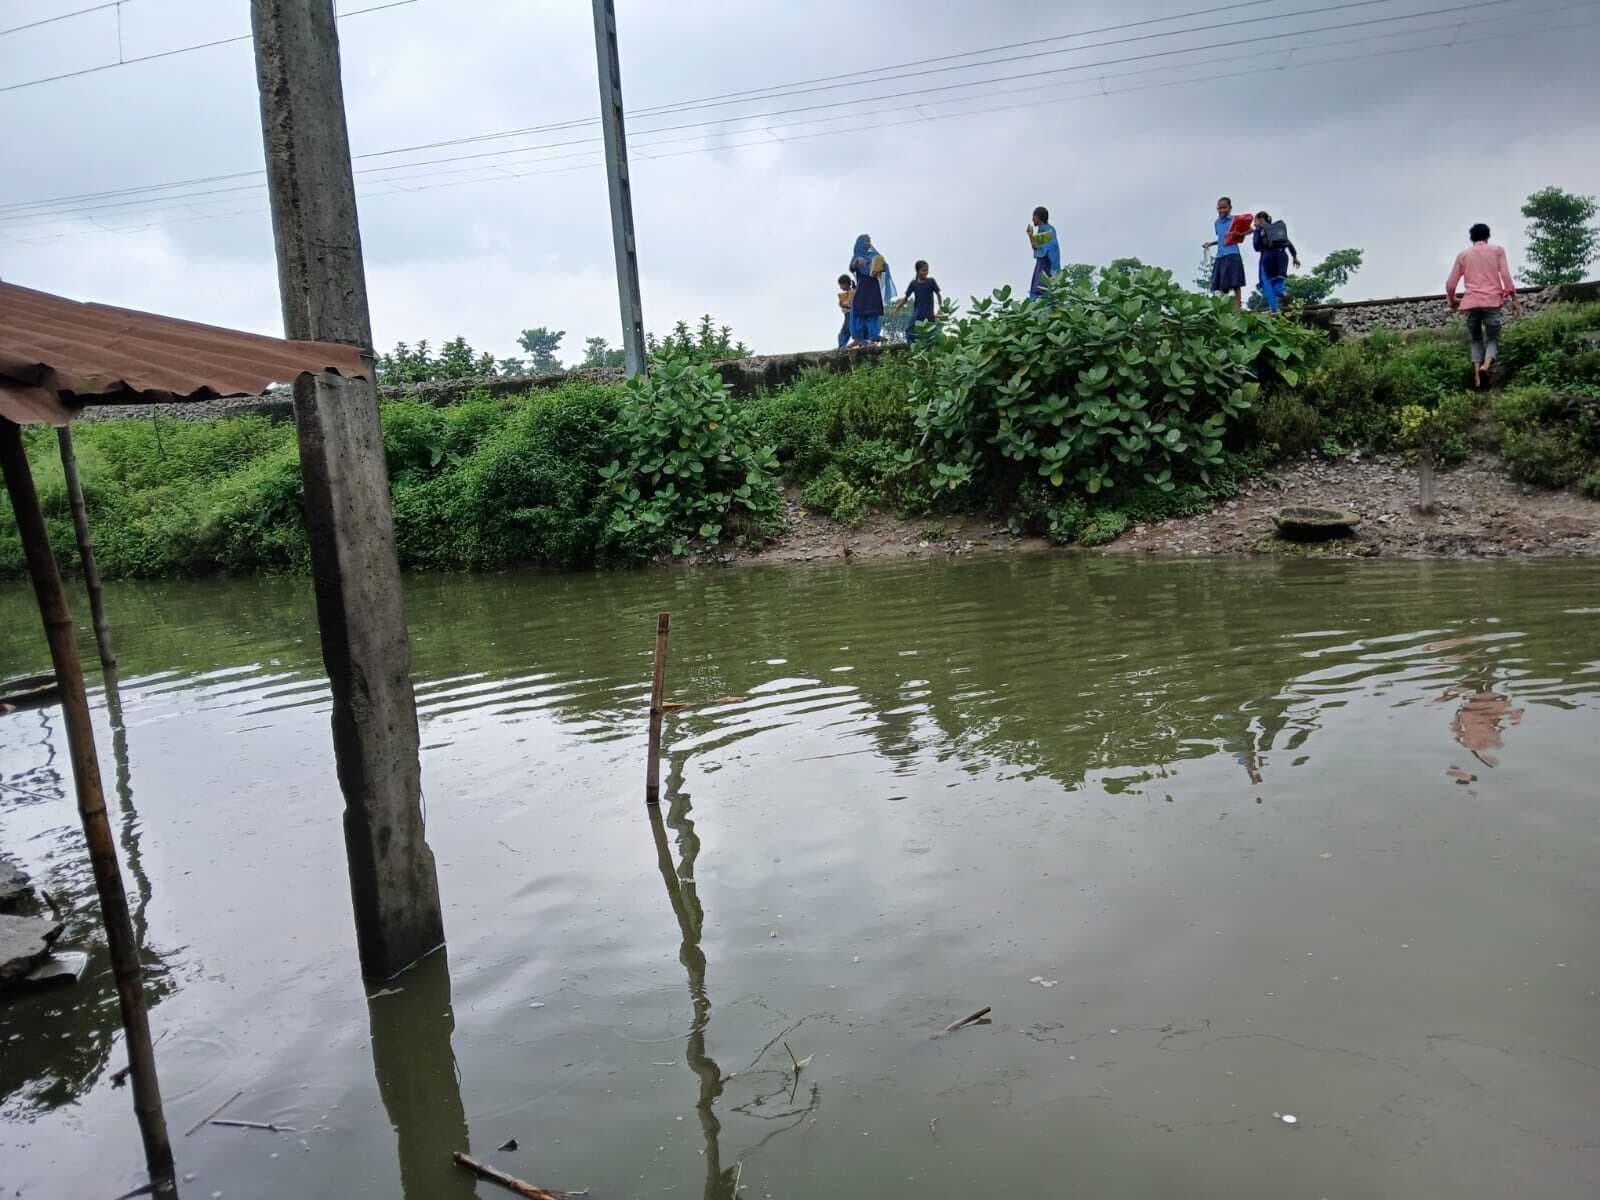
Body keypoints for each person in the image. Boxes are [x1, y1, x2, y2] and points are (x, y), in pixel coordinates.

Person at [1445, 222, 1520, 389]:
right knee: (1492, 338)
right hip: (1492, 302)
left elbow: (1450, 284)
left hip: (1471, 303)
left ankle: (1477, 377)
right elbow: (1506, 275)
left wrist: (1453, 300)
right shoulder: (1497, 251)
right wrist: (1513, 298)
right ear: (1488, 236)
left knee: (1476, 339)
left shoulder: (1463, 255)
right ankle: (1486, 366)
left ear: (1471, 238)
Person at [847, 234, 894, 347]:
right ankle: (858, 338)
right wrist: (857, 262)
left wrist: (882, 266)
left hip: (873, 288)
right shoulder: (857, 256)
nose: (869, 244)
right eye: (866, 241)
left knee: (873, 312)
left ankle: (873, 336)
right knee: (859, 311)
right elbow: (851, 267)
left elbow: (883, 268)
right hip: (862, 288)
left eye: (869, 241)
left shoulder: (874, 255)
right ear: (860, 243)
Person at [1203, 196, 1248, 309]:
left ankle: (1238, 309)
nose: (1222, 210)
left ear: (1230, 208)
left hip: (1232, 254)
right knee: (1220, 285)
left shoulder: (1235, 220)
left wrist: (1239, 234)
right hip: (1220, 255)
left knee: (1236, 283)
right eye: (1219, 208)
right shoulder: (1217, 223)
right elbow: (1222, 239)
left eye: (1224, 208)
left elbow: (1251, 229)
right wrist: (1211, 243)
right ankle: (1224, 308)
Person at [1251, 211, 1301, 313]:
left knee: (1267, 283)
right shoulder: (1277, 230)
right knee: (1278, 283)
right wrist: (1295, 257)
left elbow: (1256, 246)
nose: (1254, 223)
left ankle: (1273, 309)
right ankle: (1285, 295)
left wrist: (1257, 232)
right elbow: (1289, 243)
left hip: (1268, 257)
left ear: (1260, 219)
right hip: (1282, 257)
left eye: (1255, 220)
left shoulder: (1260, 229)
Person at [893, 260, 943, 345]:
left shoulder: (931, 282)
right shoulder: (914, 284)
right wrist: (897, 309)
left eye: (927, 270)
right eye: (923, 270)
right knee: (909, 331)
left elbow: (938, 295)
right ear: (917, 271)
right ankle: (913, 348)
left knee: (931, 332)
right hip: (917, 313)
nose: (926, 272)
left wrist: (940, 309)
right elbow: (906, 298)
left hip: (928, 313)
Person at [1026, 206, 1061, 298]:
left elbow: (1045, 248)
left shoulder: (1049, 230)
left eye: (1033, 216)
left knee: (1043, 290)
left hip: (1047, 264)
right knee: (1036, 289)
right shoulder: (1042, 230)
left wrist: (1031, 236)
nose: (1032, 219)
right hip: (1041, 263)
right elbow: (1037, 248)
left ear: (1038, 217)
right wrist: (1030, 235)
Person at [836, 274, 855, 349]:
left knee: (843, 334)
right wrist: (841, 304)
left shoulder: (852, 292)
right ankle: (842, 348)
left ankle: (842, 348)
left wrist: (843, 305)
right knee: (845, 334)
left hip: (851, 315)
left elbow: (851, 306)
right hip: (847, 315)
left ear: (845, 284)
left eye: (841, 285)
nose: (840, 287)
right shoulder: (847, 293)